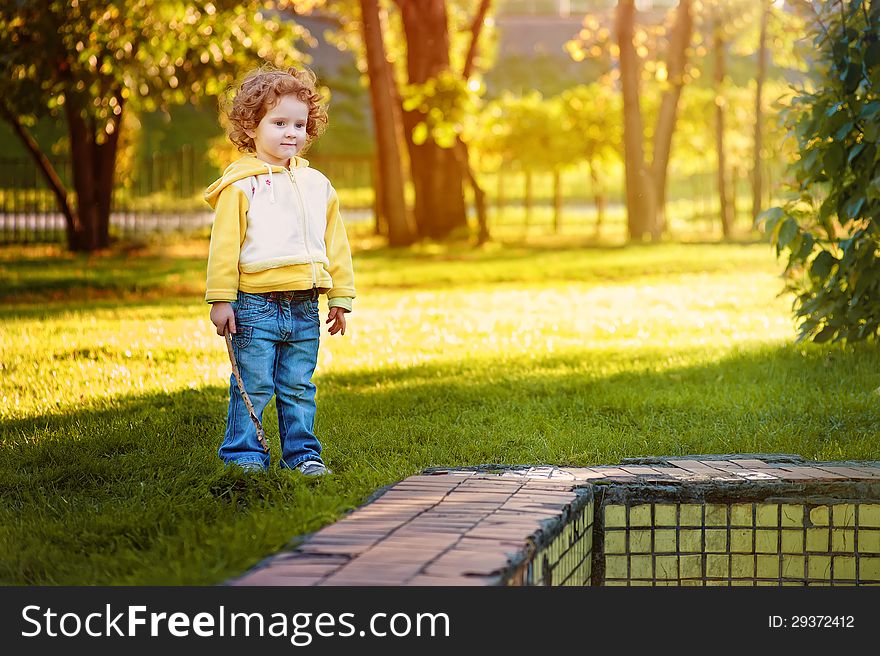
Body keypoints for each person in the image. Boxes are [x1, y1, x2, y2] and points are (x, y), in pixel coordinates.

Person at [204, 64, 355, 476]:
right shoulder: (240, 186)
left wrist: (341, 297)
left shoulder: (318, 185)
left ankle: (303, 456)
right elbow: (224, 248)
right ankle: (245, 457)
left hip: (306, 306)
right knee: (252, 385)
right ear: (251, 127)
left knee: (299, 387)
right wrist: (221, 300)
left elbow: (335, 244)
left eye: (300, 125)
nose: (291, 132)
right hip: (255, 306)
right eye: (279, 122)